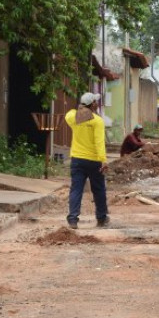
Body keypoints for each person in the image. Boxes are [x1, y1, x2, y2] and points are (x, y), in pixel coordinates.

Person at [65, 92, 109, 229]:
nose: (98, 103)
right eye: (96, 101)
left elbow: (69, 114)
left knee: (76, 189)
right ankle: (101, 218)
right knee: (99, 189)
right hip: (94, 160)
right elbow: (99, 142)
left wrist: (82, 109)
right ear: (93, 104)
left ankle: (73, 219)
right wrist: (103, 160)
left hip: (77, 159)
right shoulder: (97, 121)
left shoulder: (74, 117)